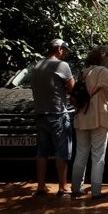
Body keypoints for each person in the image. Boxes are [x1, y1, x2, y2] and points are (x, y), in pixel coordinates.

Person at [71, 46, 108, 200]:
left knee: (81, 155)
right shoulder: (101, 72)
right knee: (98, 156)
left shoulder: (83, 72)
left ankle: (76, 189)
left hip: (81, 118)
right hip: (98, 118)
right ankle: (96, 192)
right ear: (103, 58)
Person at [31, 38, 75, 197]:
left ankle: (41, 187)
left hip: (40, 115)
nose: (64, 53)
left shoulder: (37, 66)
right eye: (64, 50)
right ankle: (63, 187)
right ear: (59, 49)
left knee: (42, 152)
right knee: (62, 152)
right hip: (57, 115)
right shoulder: (61, 65)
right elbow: (73, 90)